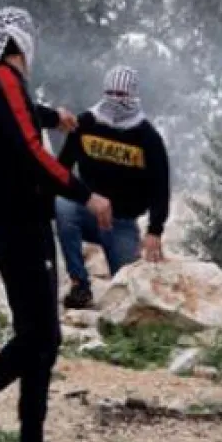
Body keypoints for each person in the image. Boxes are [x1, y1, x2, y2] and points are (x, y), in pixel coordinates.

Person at [0, 7, 113, 442]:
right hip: (19, 225)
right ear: (20, 42)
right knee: (39, 336)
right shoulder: (5, 82)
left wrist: (54, 115)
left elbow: (21, 119)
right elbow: (34, 153)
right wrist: (85, 194)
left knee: (43, 336)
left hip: (18, 222)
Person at [55, 66, 170, 310]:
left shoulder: (148, 138)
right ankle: (79, 284)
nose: (116, 101)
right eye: (112, 93)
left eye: (122, 94)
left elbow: (161, 188)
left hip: (122, 223)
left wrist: (155, 231)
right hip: (88, 211)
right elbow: (61, 168)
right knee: (62, 206)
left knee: (128, 296)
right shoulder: (85, 123)